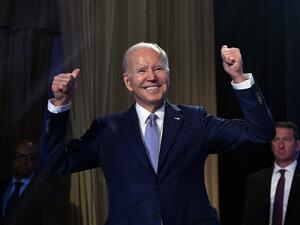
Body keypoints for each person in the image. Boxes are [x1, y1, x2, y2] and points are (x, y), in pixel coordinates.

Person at [40, 42, 275, 225]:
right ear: (128, 81)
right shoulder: (107, 130)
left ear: (168, 75)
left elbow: (260, 133)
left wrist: (239, 77)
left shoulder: (195, 121)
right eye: (141, 70)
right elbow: (54, 163)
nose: (151, 76)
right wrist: (60, 104)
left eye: (158, 68)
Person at [242, 121, 300, 225]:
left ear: (298, 145)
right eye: (276, 139)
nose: (280, 145)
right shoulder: (255, 181)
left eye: (286, 140)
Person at [0, 139, 68, 225]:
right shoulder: (3, 187)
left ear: (37, 161)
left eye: (29, 157)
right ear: (12, 159)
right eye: (18, 156)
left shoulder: (47, 193)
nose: (23, 161)